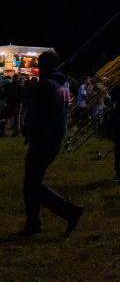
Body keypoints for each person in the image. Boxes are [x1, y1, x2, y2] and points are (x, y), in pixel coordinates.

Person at [17, 51, 84, 236]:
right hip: (55, 138)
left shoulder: (46, 85)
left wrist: (30, 131)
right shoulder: (62, 84)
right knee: (33, 182)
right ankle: (34, 223)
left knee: (32, 183)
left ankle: (68, 212)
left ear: (42, 66)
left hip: (43, 139)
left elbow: (38, 114)